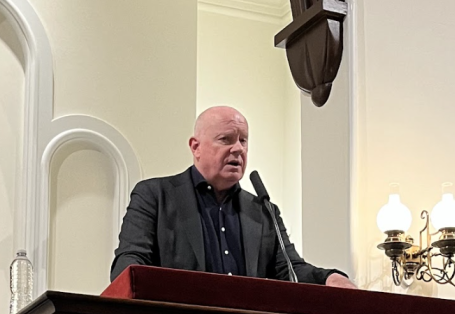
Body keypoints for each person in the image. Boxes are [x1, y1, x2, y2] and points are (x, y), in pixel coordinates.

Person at [110, 105, 356, 286]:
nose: (238, 148)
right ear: (196, 147)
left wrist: (328, 278)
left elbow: (290, 269)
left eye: (243, 140)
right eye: (225, 139)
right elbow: (130, 263)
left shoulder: (262, 211)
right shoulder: (155, 196)